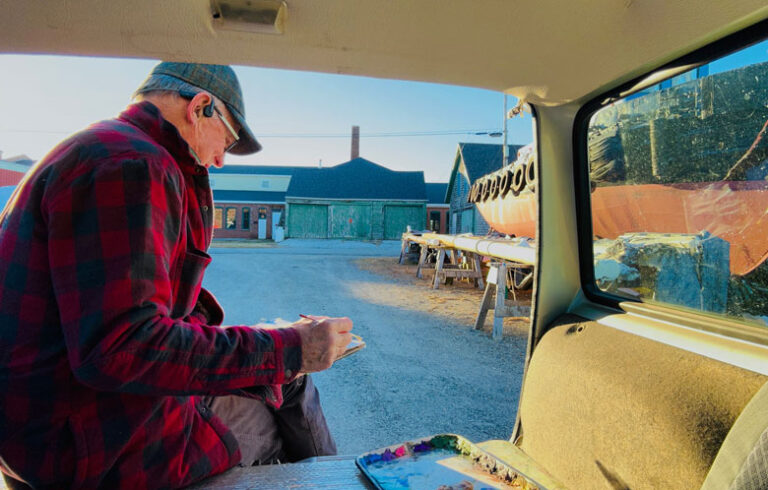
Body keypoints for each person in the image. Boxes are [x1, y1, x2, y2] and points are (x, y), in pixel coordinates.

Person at [0, 62, 352, 489]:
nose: (221, 159)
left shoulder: (97, 146)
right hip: (86, 442)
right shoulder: (135, 164)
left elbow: (126, 321)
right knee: (291, 384)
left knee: (278, 372)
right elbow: (122, 348)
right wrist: (289, 349)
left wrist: (264, 343)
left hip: (45, 423)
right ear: (201, 107)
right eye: (228, 140)